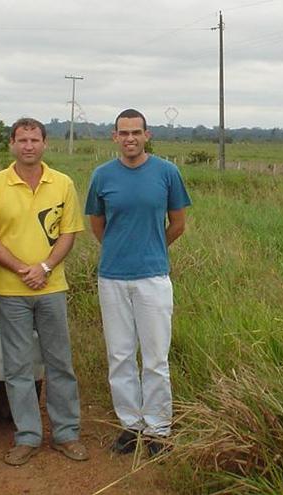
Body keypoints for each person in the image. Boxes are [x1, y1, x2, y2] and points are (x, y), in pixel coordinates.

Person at [0, 118, 89, 466]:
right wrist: (22, 269)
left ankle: (66, 434)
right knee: (18, 367)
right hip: (11, 291)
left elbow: (68, 233)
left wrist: (43, 268)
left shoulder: (63, 183)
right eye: (22, 140)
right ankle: (27, 436)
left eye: (35, 139)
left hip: (52, 286)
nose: (28, 146)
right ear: (12, 144)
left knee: (59, 363)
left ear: (45, 144)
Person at [84, 108, 191, 457]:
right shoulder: (102, 176)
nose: (130, 138)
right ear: (114, 137)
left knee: (156, 357)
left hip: (153, 278)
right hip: (112, 277)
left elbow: (177, 223)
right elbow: (97, 223)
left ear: (148, 135)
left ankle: (159, 429)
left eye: (136, 132)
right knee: (120, 355)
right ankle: (131, 426)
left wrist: (151, 248)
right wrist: (119, 249)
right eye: (123, 132)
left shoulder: (167, 173)